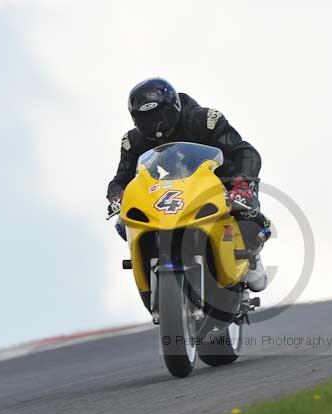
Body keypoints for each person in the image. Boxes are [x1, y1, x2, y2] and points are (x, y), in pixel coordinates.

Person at [106, 78, 269, 291]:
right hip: (164, 194)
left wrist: (241, 184)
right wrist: (117, 197)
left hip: (216, 184)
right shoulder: (133, 142)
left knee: (248, 213)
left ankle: (251, 256)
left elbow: (245, 152)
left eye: (159, 116)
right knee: (123, 222)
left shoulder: (204, 121)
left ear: (173, 107)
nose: (155, 124)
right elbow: (122, 178)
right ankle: (151, 260)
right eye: (146, 119)